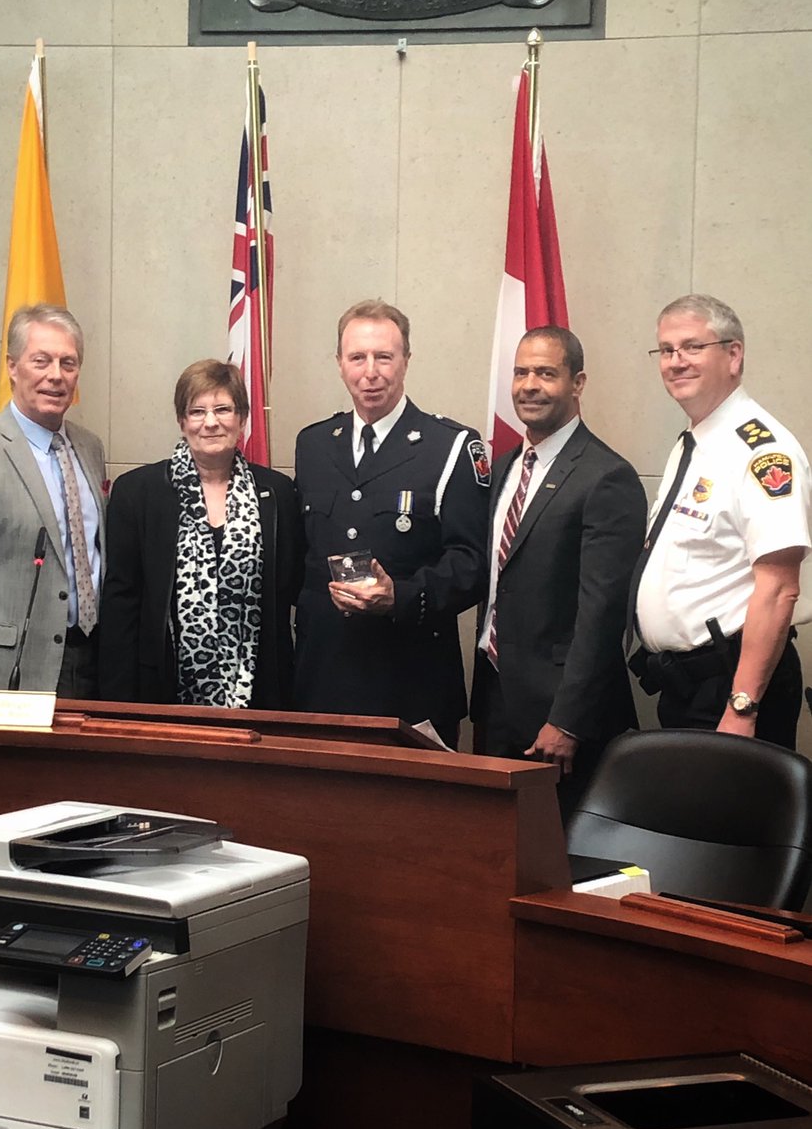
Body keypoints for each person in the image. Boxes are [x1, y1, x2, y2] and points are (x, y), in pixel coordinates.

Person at [293, 298, 489, 747]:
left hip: (410, 682)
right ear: (340, 364)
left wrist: (398, 595)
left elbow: (471, 564)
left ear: (406, 361)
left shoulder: (452, 446)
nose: (371, 371)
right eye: (357, 357)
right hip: (323, 679)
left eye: (384, 356)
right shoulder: (314, 444)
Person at [470, 326, 647, 814]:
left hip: (561, 716)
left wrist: (568, 721)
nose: (530, 385)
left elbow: (603, 613)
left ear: (578, 383)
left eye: (546, 373)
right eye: (521, 372)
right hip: (496, 696)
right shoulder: (504, 467)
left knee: (560, 863)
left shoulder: (607, 477)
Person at [630, 294, 812, 749]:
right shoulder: (693, 442)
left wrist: (741, 706)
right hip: (687, 685)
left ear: (733, 355)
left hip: (732, 688)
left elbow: (778, 588)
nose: (676, 362)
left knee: (734, 820)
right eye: (666, 350)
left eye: (692, 346)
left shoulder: (763, 452)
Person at [99, 360, 301, 709]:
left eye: (223, 409)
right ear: (182, 421)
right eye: (197, 411)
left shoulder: (277, 493)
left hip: (259, 692)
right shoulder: (137, 493)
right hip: (162, 691)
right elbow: (121, 605)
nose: (210, 422)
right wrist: (118, 703)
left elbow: (290, 589)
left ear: (242, 418)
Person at [0, 304, 106, 697]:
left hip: (93, 662)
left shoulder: (90, 448)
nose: (55, 376)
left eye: (68, 363)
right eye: (41, 361)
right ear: (12, 366)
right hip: (11, 674)